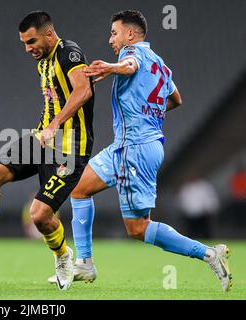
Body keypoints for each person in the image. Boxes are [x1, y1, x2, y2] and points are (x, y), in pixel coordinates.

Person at [48, 10, 232, 292]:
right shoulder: (159, 63)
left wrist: (109, 67)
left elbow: (130, 66)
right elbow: (176, 99)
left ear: (130, 34)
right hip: (128, 146)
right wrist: (150, 113)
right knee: (79, 187)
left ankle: (208, 253)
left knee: (137, 229)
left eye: (114, 32)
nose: (111, 39)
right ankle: (84, 263)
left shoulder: (132, 53)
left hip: (135, 148)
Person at [0, 11, 95, 291]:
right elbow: (74, 89)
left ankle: (63, 257)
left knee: (40, 217)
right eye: (24, 43)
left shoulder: (69, 53)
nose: (28, 49)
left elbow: (82, 91)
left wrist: (57, 124)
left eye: (31, 41)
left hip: (70, 150)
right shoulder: (43, 64)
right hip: (40, 140)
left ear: (49, 34)